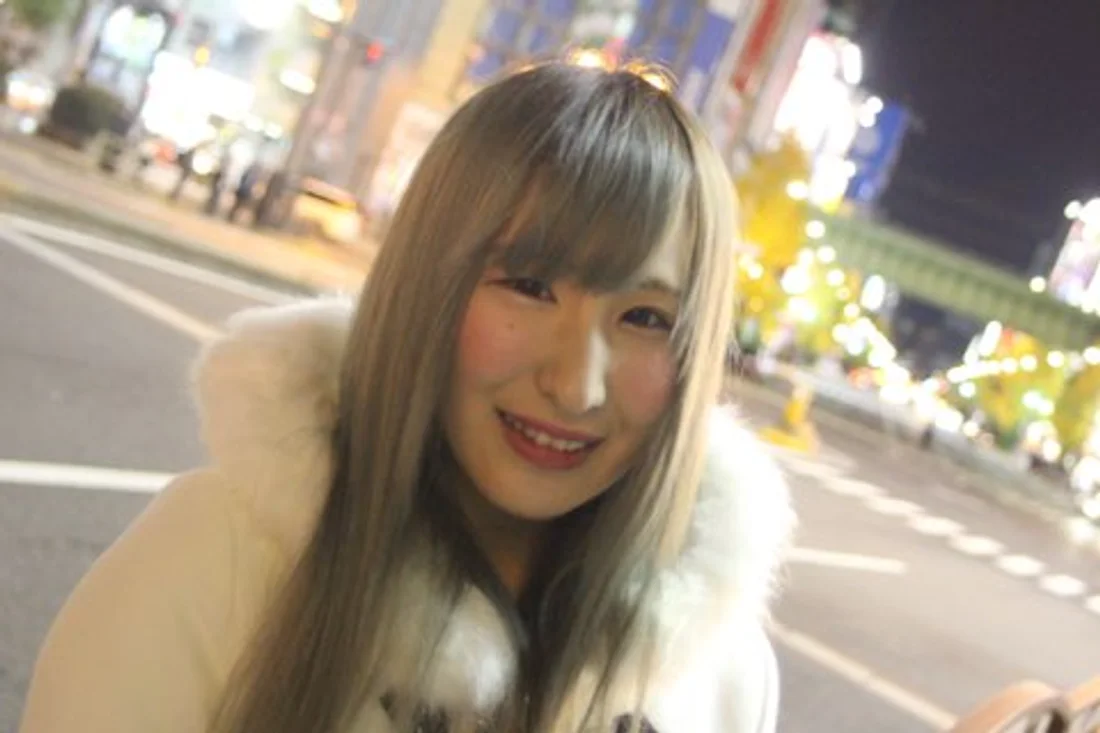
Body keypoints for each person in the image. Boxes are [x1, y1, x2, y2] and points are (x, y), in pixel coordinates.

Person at [20, 61, 795, 733]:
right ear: (429, 283)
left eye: (646, 318)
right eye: (529, 286)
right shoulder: (214, 563)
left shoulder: (721, 672)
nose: (576, 385)